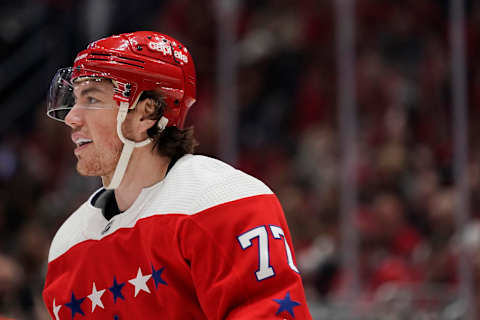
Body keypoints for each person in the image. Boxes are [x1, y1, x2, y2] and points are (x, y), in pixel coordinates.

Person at [42, 31, 312, 320]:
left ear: (146, 113)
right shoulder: (68, 244)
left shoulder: (223, 202)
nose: (72, 117)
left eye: (92, 99)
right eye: (75, 99)